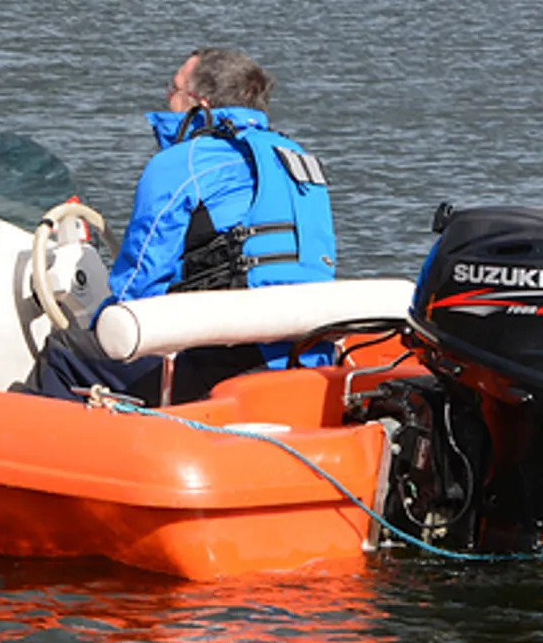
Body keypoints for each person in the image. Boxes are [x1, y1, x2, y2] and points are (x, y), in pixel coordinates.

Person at [22, 47, 336, 403]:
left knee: (65, 352)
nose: (166, 100)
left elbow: (137, 288)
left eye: (172, 90)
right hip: (302, 357)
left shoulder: (184, 162)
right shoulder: (299, 161)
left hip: (225, 362)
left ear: (199, 104)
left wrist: (102, 327)